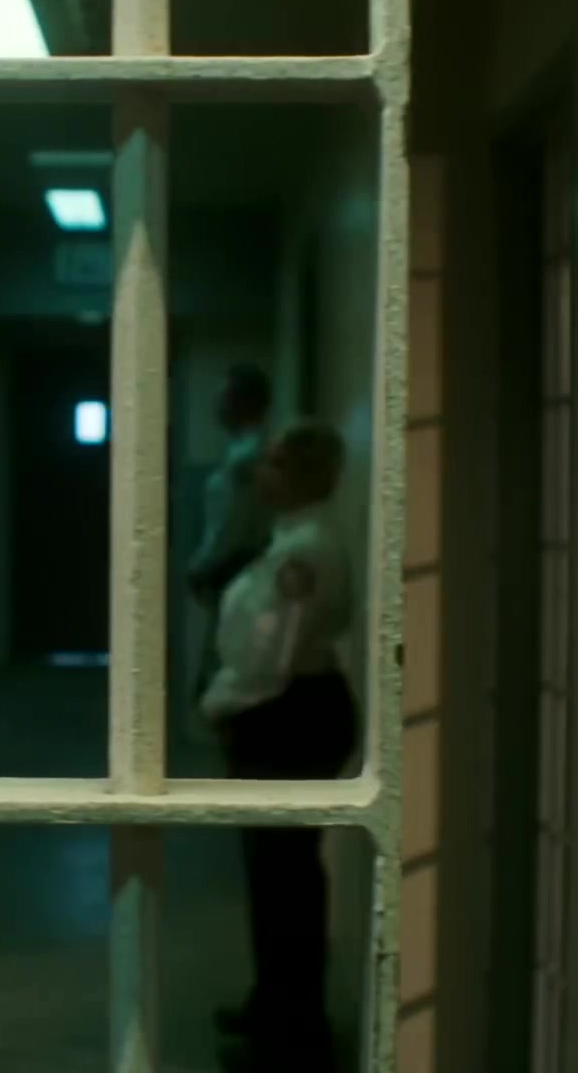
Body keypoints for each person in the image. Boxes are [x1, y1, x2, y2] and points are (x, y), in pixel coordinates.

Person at [200, 421, 356, 1072]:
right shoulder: (292, 539)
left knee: (284, 880)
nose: (259, 473)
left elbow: (271, 657)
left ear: (301, 477)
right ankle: (275, 1007)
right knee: (276, 877)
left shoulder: (305, 551)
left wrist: (219, 704)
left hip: (288, 715)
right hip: (289, 711)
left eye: (272, 463)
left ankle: (293, 1034)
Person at [187, 364, 275, 699]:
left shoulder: (248, 457)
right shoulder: (242, 451)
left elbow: (230, 526)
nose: (216, 406)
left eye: (223, 397)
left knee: (228, 669)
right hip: (235, 568)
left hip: (238, 567)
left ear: (243, 403)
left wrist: (202, 564)